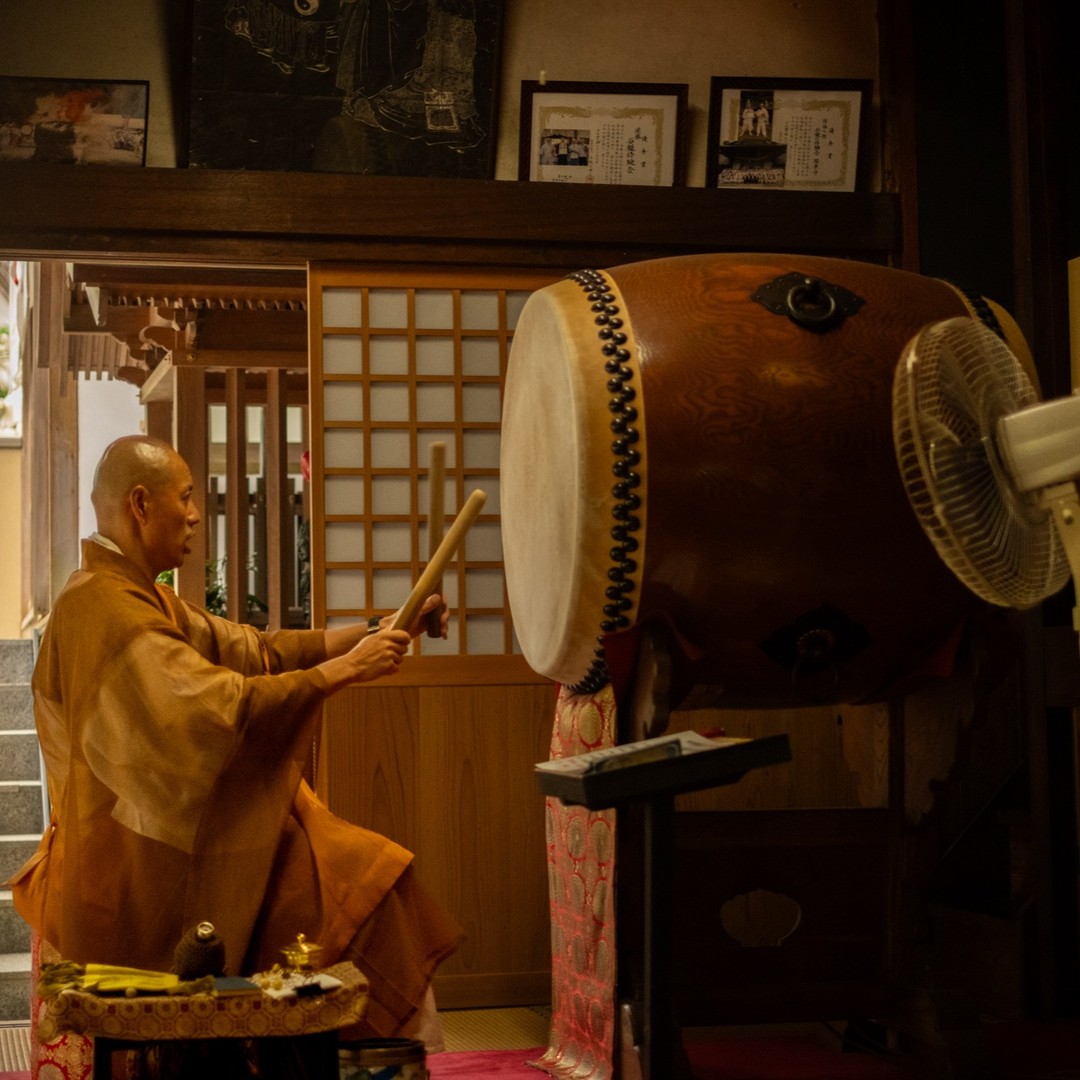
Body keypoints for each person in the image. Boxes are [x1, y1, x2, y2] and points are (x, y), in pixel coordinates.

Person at [8, 434, 461, 1045]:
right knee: (354, 886)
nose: (196, 514)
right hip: (137, 868)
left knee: (354, 880)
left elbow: (256, 651)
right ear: (141, 505)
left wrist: (382, 627)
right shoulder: (105, 607)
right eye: (187, 497)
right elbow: (214, 709)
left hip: (172, 840)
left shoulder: (142, 596)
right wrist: (342, 671)